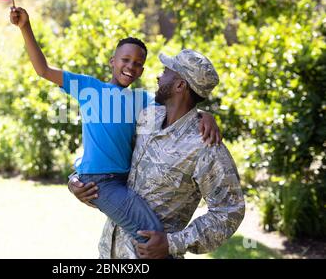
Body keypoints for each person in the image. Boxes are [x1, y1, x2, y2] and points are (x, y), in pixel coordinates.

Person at [10, 6, 221, 244]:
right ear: (113, 61)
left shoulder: (142, 100)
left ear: (141, 70)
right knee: (149, 231)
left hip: (125, 181)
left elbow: (179, 106)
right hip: (100, 180)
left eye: (138, 63)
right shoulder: (88, 88)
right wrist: (25, 27)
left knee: (144, 233)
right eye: (126, 59)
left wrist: (204, 114)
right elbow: (43, 70)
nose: (131, 66)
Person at [69, 49, 245, 259]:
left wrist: (173, 243)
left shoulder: (205, 146)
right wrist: (76, 180)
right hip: (110, 252)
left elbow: (229, 211)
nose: (158, 76)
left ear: (180, 85)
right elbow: (110, 150)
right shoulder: (147, 118)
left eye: (166, 71)